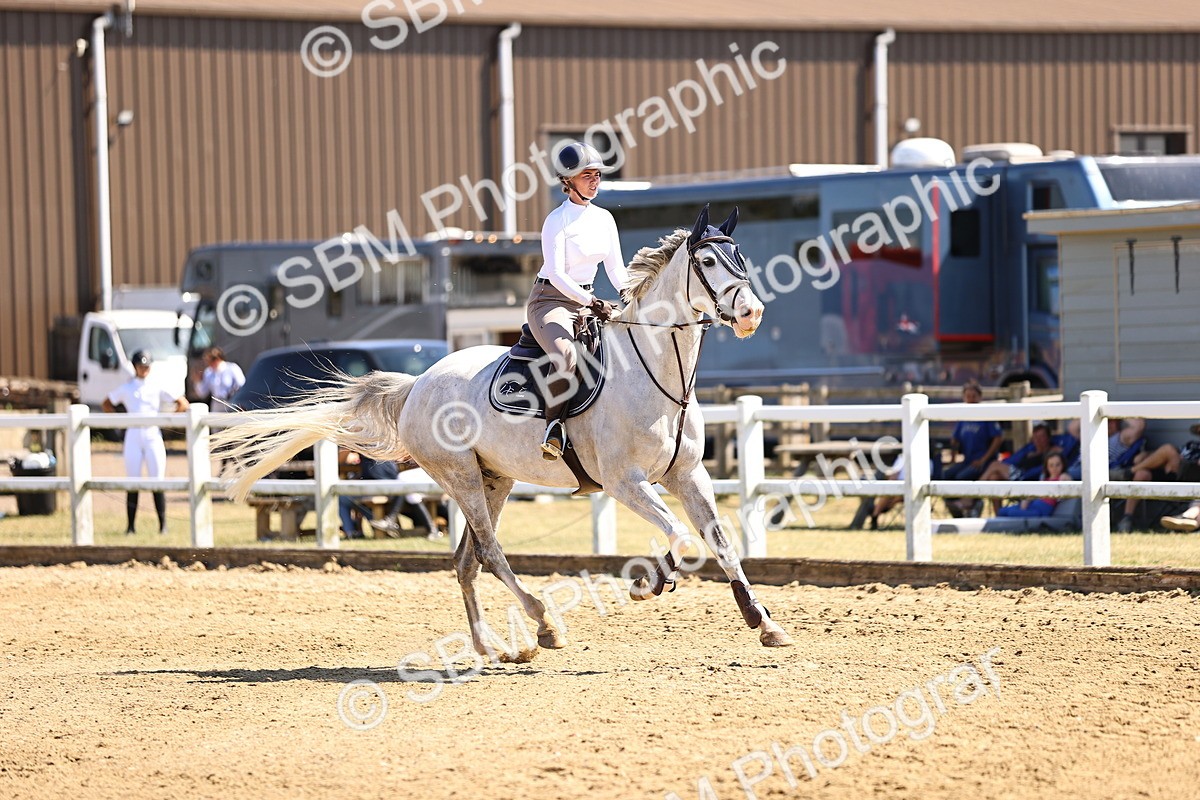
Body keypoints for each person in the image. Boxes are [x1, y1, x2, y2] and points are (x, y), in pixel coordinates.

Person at [528, 141, 629, 460]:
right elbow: (556, 274)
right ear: (568, 181)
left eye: (598, 175)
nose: (595, 180)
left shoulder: (605, 219)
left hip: (586, 303)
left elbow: (615, 269)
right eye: (588, 175)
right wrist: (592, 300)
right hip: (550, 301)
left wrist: (633, 295)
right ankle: (553, 427)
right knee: (566, 356)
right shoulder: (556, 221)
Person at [102, 350, 189, 535]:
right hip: (133, 434)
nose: (144, 370)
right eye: (141, 366)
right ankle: (131, 526)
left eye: (146, 366)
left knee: (157, 479)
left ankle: (162, 525)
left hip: (152, 434)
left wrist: (169, 422)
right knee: (133, 480)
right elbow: (107, 402)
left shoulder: (156, 386)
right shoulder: (127, 387)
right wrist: (118, 422)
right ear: (135, 367)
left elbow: (181, 402)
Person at [943, 381, 1003, 516]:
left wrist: (983, 459)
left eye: (973, 396)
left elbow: (998, 438)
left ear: (980, 397)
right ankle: (957, 512)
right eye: (967, 396)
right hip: (968, 460)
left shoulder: (986, 415)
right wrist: (953, 458)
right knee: (946, 475)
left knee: (962, 477)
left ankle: (972, 504)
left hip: (984, 461)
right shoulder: (963, 416)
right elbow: (955, 440)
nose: (970, 400)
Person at [996, 451, 1067, 517]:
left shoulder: (1062, 477)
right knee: (1001, 511)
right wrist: (1026, 501)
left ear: (1063, 465)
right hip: (1033, 504)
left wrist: (1065, 476)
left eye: (1058, 465)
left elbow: (1067, 480)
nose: (1054, 468)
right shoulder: (1044, 479)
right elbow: (1034, 494)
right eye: (1051, 465)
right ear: (1047, 467)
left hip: (1040, 510)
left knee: (1011, 513)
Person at [192, 347, 245, 412]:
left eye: (211, 361)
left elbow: (241, 385)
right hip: (216, 404)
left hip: (230, 402)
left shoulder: (232, 368)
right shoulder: (209, 372)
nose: (209, 364)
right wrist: (198, 381)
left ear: (217, 359)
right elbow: (202, 393)